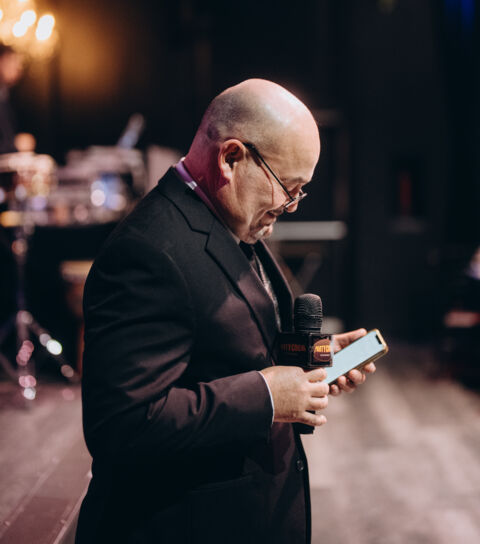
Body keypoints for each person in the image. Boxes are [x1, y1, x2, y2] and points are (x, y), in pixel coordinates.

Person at [76, 79, 375, 544]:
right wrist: (266, 396)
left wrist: (307, 360)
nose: (290, 206)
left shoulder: (227, 218)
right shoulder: (147, 252)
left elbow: (229, 341)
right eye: (288, 187)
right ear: (231, 158)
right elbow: (121, 425)